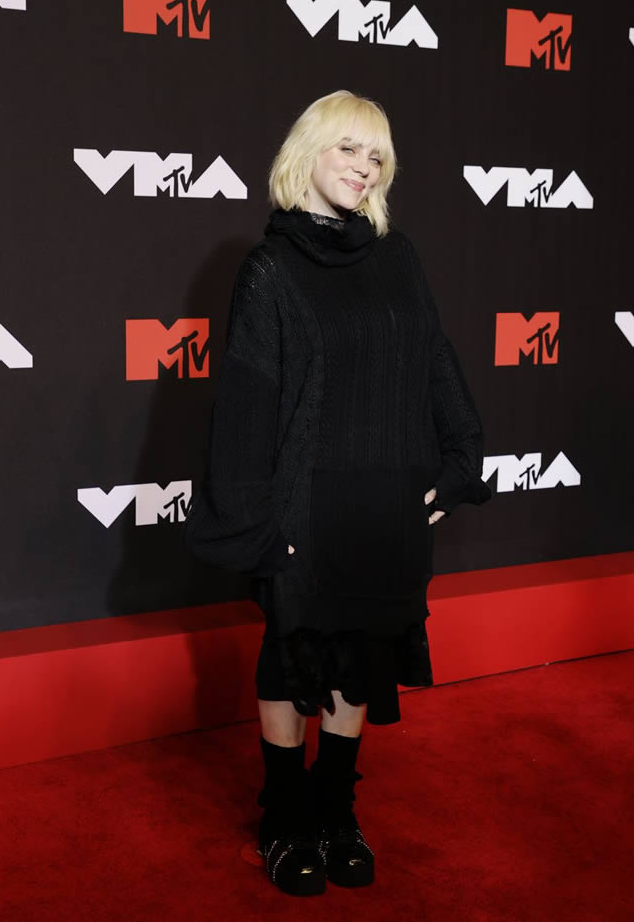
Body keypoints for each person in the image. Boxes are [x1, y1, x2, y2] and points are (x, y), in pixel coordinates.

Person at [185, 90, 491, 896]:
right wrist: (254, 520)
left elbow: (433, 360)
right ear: (307, 151)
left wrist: (459, 459)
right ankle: (285, 818)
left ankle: (334, 810)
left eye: (376, 154)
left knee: (361, 658)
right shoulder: (269, 269)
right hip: (305, 506)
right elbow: (248, 402)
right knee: (294, 657)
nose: (364, 166)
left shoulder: (397, 256)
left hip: (387, 499)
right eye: (348, 148)